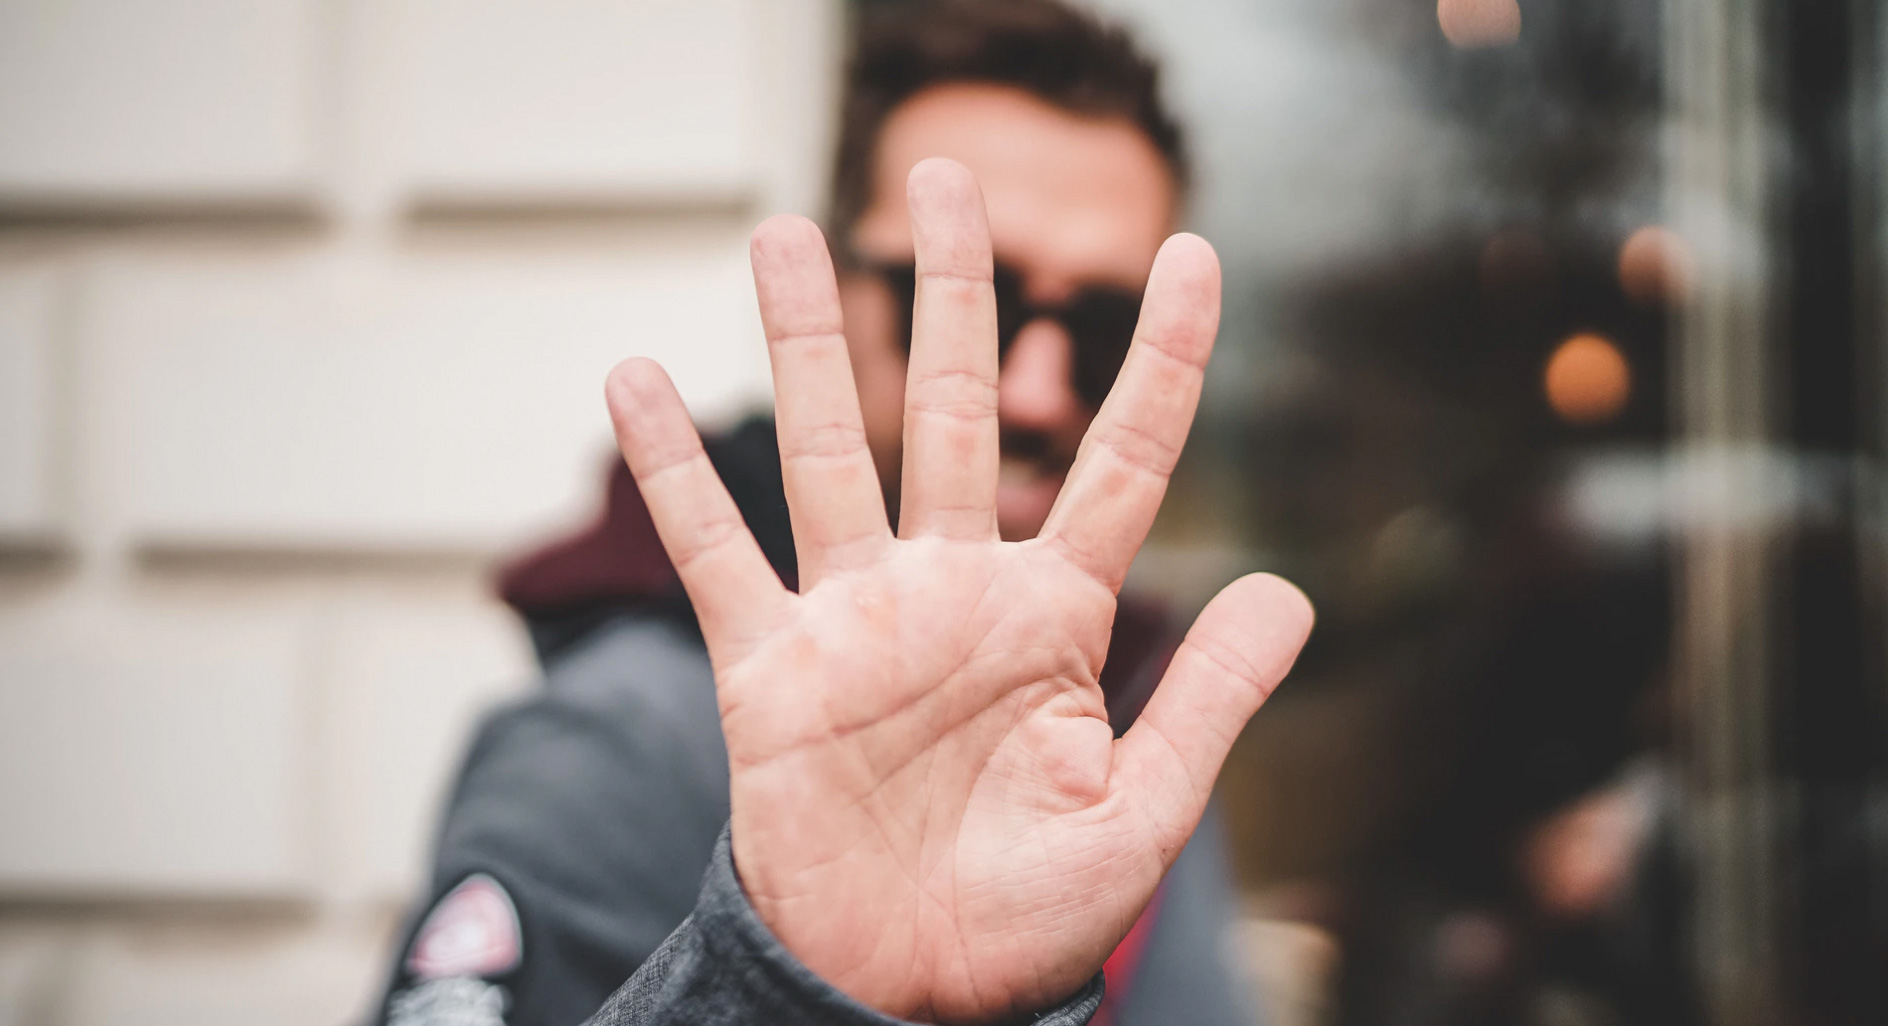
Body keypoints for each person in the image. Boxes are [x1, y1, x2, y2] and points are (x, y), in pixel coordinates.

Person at [372, 4, 1311, 1025]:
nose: (1039, 392)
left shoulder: (1130, 706)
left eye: (1101, 327)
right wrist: (775, 989)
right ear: (838, 283)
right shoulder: (619, 740)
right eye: (968, 299)